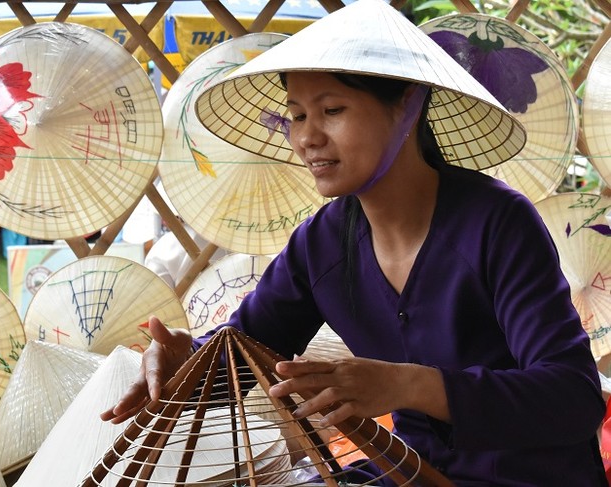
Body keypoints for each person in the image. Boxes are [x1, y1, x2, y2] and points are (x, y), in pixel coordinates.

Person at [102, 0, 606, 484]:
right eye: (297, 115)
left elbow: (573, 398)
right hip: (409, 474)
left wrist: (407, 384)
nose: (307, 138)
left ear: (407, 105)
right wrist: (182, 363)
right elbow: (242, 355)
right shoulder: (320, 245)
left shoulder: (496, 223)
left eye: (333, 110)